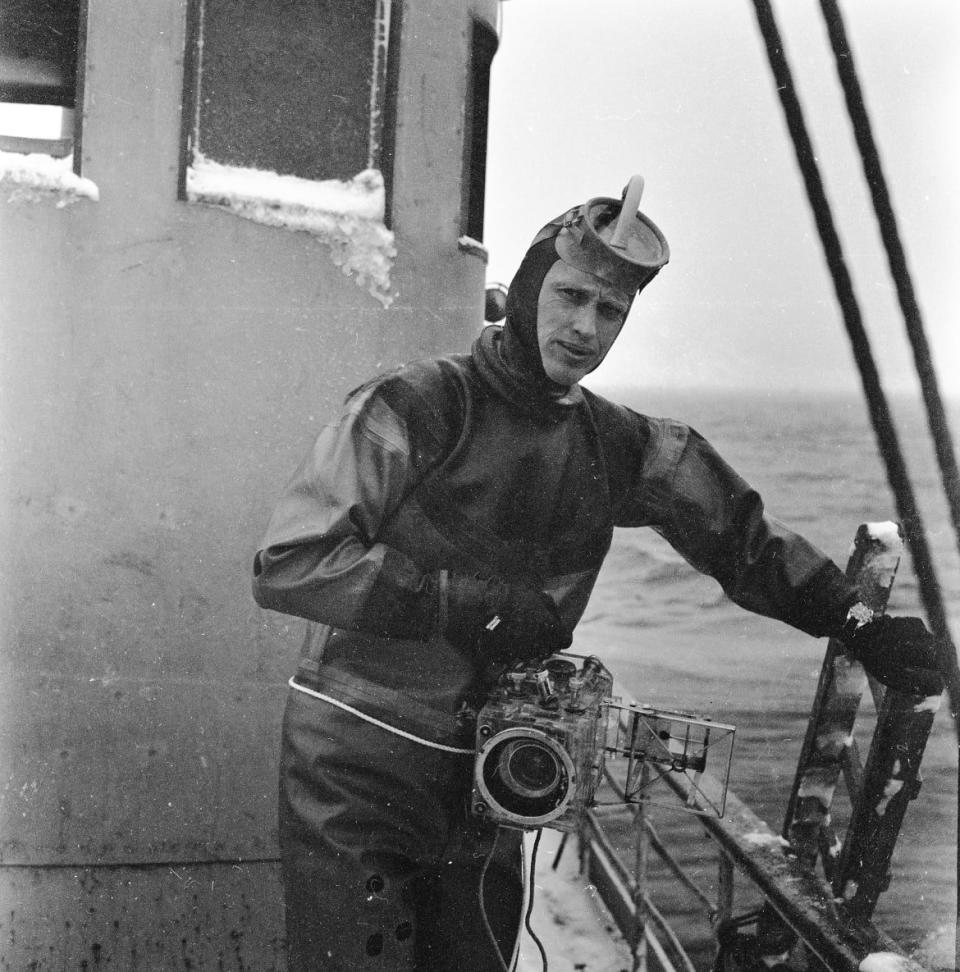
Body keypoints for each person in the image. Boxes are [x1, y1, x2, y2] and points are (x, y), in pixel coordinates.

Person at [251, 179, 943, 971]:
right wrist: (459, 603)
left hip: (496, 773)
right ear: (525, 292)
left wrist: (854, 619)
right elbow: (291, 562)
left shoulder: (616, 444)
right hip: (360, 765)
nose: (585, 328)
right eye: (570, 296)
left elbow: (738, 537)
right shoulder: (416, 405)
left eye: (609, 312)